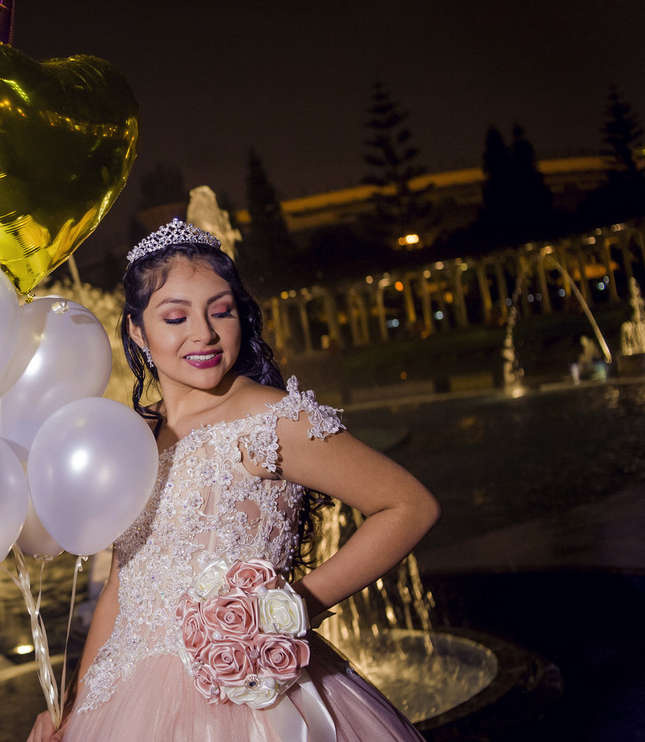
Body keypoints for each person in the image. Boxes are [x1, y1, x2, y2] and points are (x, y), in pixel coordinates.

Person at [28, 219, 440, 741]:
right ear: (136, 329)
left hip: (251, 701)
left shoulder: (269, 418)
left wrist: (292, 608)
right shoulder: (129, 435)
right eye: (175, 316)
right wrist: (81, 706)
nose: (203, 333)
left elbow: (409, 506)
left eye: (220, 311)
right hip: (125, 705)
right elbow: (119, 586)